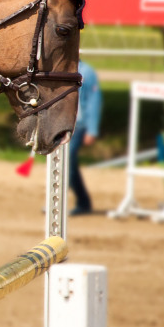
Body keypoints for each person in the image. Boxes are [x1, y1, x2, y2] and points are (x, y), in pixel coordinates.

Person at [70, 60, 103, 215]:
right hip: (62, 125)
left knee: (68, 162)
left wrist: (92, 130)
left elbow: (93, 102)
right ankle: (77, 202)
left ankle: (82, 202)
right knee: (67, 166)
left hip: (78, 126)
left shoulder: (87, 73)